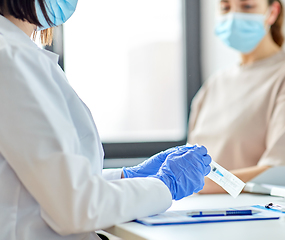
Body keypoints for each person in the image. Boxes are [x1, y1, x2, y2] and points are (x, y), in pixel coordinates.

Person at [0, 0, 212, 239]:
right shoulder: (11, 58)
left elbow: (43, 182)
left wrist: (126, 177)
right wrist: (164, 184)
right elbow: (77, 207)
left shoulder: (18, 54)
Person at [188, 0, 285, 194]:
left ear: (272, 12)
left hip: (252, 216)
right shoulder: (215, 83)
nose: (233, 16)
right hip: (196, 213)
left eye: (247, 6)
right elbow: (192, 162)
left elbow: (283, 172)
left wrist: (200, 184)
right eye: (225, 7)